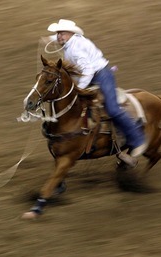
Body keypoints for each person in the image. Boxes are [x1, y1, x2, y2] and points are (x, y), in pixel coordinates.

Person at [47, 19, 147, 158]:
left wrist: (79, 89)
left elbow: (88, 70)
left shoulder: (75, 49)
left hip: (101, 75)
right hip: (90, 75)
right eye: (58, 33)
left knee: (112, 108)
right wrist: (48, 38)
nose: (59, 36)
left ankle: (138, 139)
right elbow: (57, 39)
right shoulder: (70, 41)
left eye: (62, 33)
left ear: (71, 33)